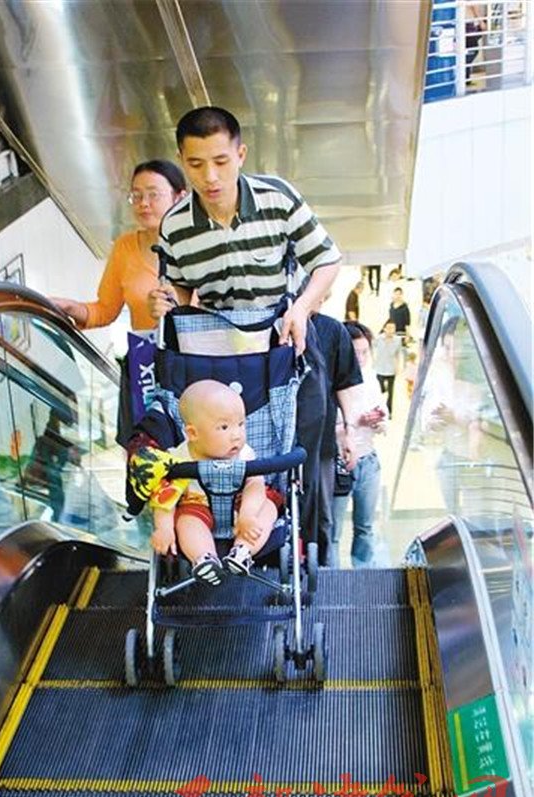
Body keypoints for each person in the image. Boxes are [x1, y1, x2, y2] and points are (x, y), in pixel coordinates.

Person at [146, 106, 346, 547]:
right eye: (196, 164)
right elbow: (180, 290)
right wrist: (167, 300)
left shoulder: (278, 199)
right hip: (213, 351)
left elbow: (328, 261)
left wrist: (303, 307)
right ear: (182, 161)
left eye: (221, 161)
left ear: (240, 154)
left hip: (282, 339)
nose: (210, 177)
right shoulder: (176, 226)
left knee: (305, 455)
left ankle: (310, 547)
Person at [149, 380, 279, 585]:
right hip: (198, 507)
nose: (237, 435)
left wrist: (247, 514)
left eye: (241, 424)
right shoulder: (178, 458)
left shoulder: (244, 453)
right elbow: (165, 497)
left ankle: (242, 552)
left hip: (240, 506)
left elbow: (255, 485)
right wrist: (163, 527)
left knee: (269, 506)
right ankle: (204, 559)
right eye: (224, 427)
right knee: (186, 521)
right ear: (193, 433)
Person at [53, 159, 187, 332]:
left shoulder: (202, 244)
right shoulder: (124, 247)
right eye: (136, 196)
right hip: (148, 349)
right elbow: (104, 311)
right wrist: (69, 307)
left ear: (179, 198)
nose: (143, 203)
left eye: (153, 194)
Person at [331, 322, 388, 568]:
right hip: (339, 463)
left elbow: (384, 423)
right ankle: (330, 578)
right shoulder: (330, 381)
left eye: (365, 352)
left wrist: (378, 420)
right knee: (332, 531)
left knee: (365, 527)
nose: (361, 359)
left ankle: (363, 572)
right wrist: (354, 423)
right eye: (355, 353)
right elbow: (321, 428)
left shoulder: (371, 379)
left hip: (369, 461)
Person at [313, 312, 364, 566]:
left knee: (323, 518)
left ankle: (322, 575)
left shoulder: (331, 330)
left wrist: (349, 434)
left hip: (322, 444)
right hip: (275, 444)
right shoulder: (272, 321)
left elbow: (344, 384)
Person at [373, 321, 403, 416]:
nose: (391, 330)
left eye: (393, 328)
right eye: (389, 328)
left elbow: (398, 354)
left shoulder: (397, 340)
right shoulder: (378, 338)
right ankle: (378, 409)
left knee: (391, 392)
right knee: (380, 390)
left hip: (391, 369)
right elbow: (371, 348)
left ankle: (389, 411)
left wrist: (398, 366)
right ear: (384, 328)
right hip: (379, 368)